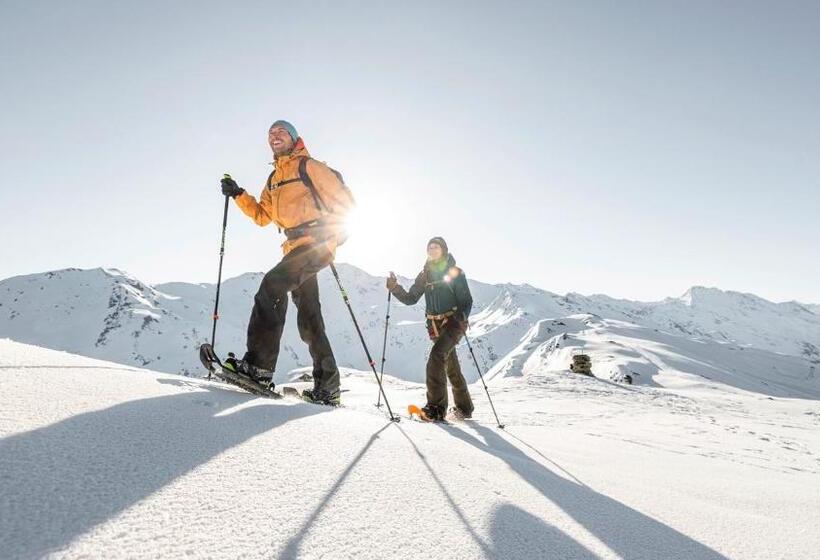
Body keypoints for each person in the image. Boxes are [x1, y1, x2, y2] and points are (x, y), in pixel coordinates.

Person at [219, 120, 353, 405]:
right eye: (270, 133)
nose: (274, 135)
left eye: (281, 131)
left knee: (272, 286)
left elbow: (345, 200)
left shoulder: (309, 166)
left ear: (294, 138)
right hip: (294, 248)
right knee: (309, 319)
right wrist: (238, 194)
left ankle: (258, 368)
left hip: (316, 244)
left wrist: (337, 230)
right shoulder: (274, 179)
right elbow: (262, 216)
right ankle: (328, 386)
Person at [387, 237, 474, 421]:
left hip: (453, 324)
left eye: (436, 247)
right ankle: (465, 408)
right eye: (430, 247)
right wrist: (395, 288)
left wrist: (458, 319)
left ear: (443, 250)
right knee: (451, 365)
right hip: (434, 325)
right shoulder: (425, 274)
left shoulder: (455, 272)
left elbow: (466, 301)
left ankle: (436, 409)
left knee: (436, 356)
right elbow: (411, 298)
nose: (432, 250)